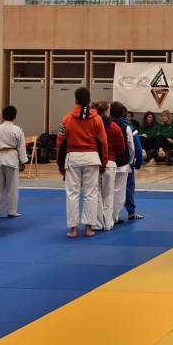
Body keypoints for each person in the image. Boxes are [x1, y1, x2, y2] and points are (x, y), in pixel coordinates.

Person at [57, 87, 107, 238]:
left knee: (72, 194)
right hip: (92, 157)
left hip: (73, 157)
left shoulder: (67, 119)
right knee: (91, 194)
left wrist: (60, 164)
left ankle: (73, 229)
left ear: (75, 100)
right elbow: (103, 142)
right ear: (89, 100)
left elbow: (60, 142)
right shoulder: (97, 119)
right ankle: (88, 228)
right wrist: (103, 162)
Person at [93, 101, 126, 231]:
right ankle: (108, 223)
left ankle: (98, 223)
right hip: (110, 163)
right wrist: (112, 155)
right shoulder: (114, 127)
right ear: (107, 111)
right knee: (108, 194)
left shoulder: (93, 125)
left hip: (96, 161)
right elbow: (121, 147)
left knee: (96, 194)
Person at [0, 105, 27, 219]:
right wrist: (23, 161)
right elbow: (21, 147)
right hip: (11, 159)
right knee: (12, 187)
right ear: (14, 116)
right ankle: (11, 211)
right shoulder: (17, 129)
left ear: (3, 116)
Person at [110, 101, 134, 226]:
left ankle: (105, 217)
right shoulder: (126, 127)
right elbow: (131, 148)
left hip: (107, 162)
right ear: (123, 113)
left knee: (106, 191)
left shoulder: (104, 124)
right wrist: (129, 161)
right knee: (119, 192)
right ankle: (114, 217)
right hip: (122, 163)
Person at [123, 106, 145, 222]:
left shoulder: (106, 125)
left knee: (110, 189)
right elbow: (137, 147)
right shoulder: (130, 128)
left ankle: (110, 216)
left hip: (110, 162)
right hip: (127, 163)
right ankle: (131, 212)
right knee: (128, 187)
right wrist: (138, 162)